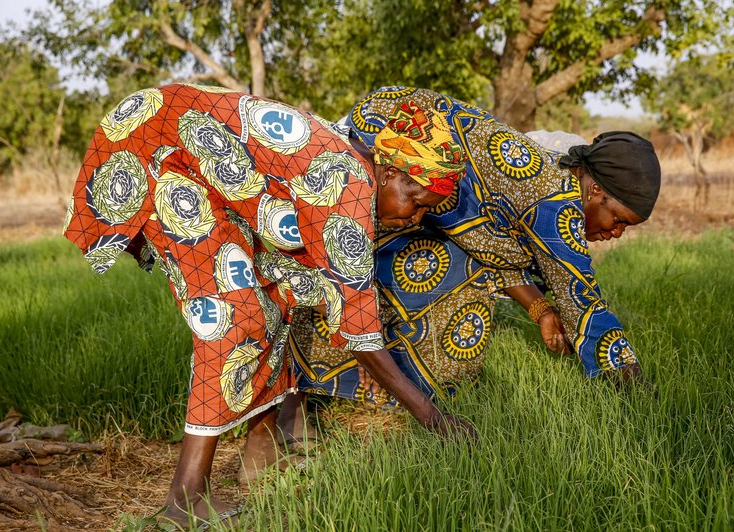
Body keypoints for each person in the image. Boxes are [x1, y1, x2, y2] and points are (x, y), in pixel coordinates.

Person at [62, 83, 474, 527]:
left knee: (275, 298)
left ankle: (262, 457)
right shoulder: (350, 190)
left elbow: (319, 283)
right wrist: (431, 417)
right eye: (415, 202)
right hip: (157, 150)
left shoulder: (352, 169)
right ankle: (184, 499)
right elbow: (360, 330)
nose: (412, 218)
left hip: (189, 156)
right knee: (231, 318)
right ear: (391, 173)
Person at [281, 87, 661, 440]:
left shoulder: (552, 175)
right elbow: (585, 305)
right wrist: (638, 389)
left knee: (438, 273)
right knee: (339, 267)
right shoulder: (558, 207)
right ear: (596, 192)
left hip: (393, 134)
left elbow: (490, 245)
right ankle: (295, 397)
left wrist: (541, 309)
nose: (616, 233)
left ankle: (329, 385)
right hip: (389, 142)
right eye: (620, 220)